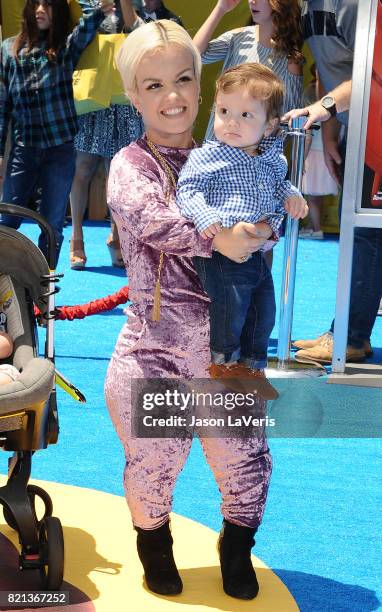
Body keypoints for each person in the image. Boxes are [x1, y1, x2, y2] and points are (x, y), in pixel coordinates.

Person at [105, 19, 275, 601]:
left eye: (182, 80)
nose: (172, 96)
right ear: (132, 94)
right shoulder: (130, 163)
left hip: (227, 348)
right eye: (153, 86)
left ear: (201, 87)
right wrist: (219, 237)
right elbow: (153, 219)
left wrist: (264, 224)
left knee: (247, 464)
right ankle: (154, 546)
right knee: (154, 466)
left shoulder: (228, 154)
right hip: (156, 350)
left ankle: (236, 548)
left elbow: (266, 212)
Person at [177, 63, 308, 387]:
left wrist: (293, 196)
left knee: (264, 311)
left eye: (246, 115)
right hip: (222, 255)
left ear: (269, 126)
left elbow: (279, 187)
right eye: (224, 111)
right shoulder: (208, 156)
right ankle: (222, 363)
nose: (231, 122)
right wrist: (207, 217)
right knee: (229, 309)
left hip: (256, 254)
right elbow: (187, 190)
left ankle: (252, 367)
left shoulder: (273, 159)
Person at [283, 0, 382, 363]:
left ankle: (350, 337)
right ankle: (349, 332)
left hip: (378, 131)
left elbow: (373, 69)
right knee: (360, 232)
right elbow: (329, 69)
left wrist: (324, 106)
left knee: (368, 235)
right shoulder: (310, 5)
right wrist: (329, 133)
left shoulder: (360, 4)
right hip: (354, 127)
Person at [0, 0, 114, 265]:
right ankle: (6, 283)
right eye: (36, 4)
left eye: (48, 5)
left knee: (52, 224)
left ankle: (45, 289)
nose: (40, 9)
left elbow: (89, 21)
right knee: (7, 220)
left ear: (58, 11)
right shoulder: (7, 49)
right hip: (23, 149)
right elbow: (2, 104)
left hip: (60, 149)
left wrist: (94, 7)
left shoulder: (65, 47)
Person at [70, 0, 144, 270]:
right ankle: (76, 238)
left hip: (124, 98)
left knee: (120, 171)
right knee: (83, 167)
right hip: (92, 96)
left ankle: (116, 236)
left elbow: (136, 31)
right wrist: (97, 9)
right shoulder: (83, 3)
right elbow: (74, 40)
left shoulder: (133, 3)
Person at [193, 0, 304, 141]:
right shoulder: (238, 37)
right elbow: (195, 56)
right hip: (214, 151)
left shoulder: (290, 61)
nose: (252, 1)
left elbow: (287, 125)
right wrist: (220, 8)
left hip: (252, 160)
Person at [299, 64, 338, 239]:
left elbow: (308, 127)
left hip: (314, 151)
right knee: (316, 195)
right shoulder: (334, 91)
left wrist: (301, 157)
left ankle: (316, 230)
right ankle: (313, 226)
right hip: (324, 150)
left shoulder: (311, 91)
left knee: (312, 194)